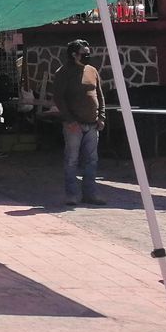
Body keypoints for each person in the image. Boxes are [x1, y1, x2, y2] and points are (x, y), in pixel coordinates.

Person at [51, 38, 106, 206]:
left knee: (92, 160)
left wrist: (101, 116)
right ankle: (72, 194)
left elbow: (99, 95)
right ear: (74, 55)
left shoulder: (92, 71)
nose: (87, 56)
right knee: (72, 160)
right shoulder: (63, 73)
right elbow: (59, 98)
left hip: (92, 123)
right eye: (84, 54)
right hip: (73, 125)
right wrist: (69, 119)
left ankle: (91, 193)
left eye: (88, 54)